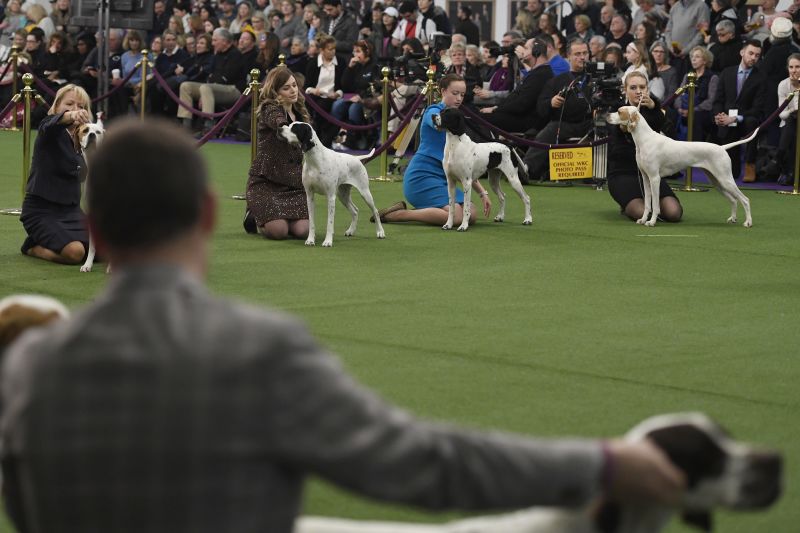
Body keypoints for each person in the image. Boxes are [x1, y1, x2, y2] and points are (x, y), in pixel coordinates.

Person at [0, 116, 686, 533]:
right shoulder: (260, 349)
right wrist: (599, 461)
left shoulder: (30, 368)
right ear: (208, 216)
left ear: (93, 227)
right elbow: (422, 464)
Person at [377, 74, 492, 226]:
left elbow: (465, 164)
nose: (459, 99)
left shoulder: (457, 117)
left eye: (462, 95)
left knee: (471, 213)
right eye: (455, 93)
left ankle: (421, 210)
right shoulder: (433, 111)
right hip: (421, 177)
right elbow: (437, 122)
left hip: (442, 180)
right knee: (457, 217)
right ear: (443, 91)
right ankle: (398, 215)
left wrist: (482, 193)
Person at [19, 84, 92, 264]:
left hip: (72, 211)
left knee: (104, 249)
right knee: (75, 253)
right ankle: (32, 247)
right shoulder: (49, 129)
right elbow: (50, 124)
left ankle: (49, 240)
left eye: (81, 106)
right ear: (57, 106)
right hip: (41, 211)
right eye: (69, 104)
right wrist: (69, 116)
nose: (76, 110)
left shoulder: (85, 138)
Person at [607, 71, 683, 222]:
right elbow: (615, 147)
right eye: (633, 87)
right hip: (623, 173)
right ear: (625, 89)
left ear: (647, 89)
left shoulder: (654, 110)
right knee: (640, 211)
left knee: (674, 213)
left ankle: (652, 207)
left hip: (651, 173)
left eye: (642, 87)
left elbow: (671, 136)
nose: (638, 91)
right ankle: (629, 205)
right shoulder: (617, 109)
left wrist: (654, 108)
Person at [246, 66, 310, 240]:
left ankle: (278, 218)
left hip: (294, 185)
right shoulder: (269, 109)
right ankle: (254, 214)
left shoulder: (301, 113)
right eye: (286, 88)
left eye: (294, 85)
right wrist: (285, 129)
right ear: (275, 91)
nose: (293, 91)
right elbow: (278, 122)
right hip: (266, 182)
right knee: (278, 232)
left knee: (303, 231)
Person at [712, 39, 765, 182]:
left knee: (752, 122)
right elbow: (718, 100)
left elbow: (757, 109)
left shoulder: (761, 78)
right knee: (732, 173)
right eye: (751, 53)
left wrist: (735, 118)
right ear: (742, 52)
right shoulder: (726, 72)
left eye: (757, 55)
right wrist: (719, 115)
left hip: (746, 120)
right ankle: (723, 167)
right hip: (727, 120)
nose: (753, 57)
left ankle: (749, 165)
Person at [674, 46, 718, 142]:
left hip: (701, 112)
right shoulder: (687, 76)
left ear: (705, 60)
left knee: (696, 117)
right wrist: (679, 108)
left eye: (697, 57)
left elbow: (710, 101)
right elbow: (678, 95)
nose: (693, 59)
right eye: (692, 57)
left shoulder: (713, 77)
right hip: (684, 109)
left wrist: (692, 110)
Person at [776, 53, 800, 183]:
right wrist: (793, 110)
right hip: (789, 124)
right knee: (791, 120)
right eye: (791, 67)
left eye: (797, 67)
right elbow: (782, 114)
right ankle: (788, 169)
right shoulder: (783, 85)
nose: (794, 70)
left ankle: (780, 156)